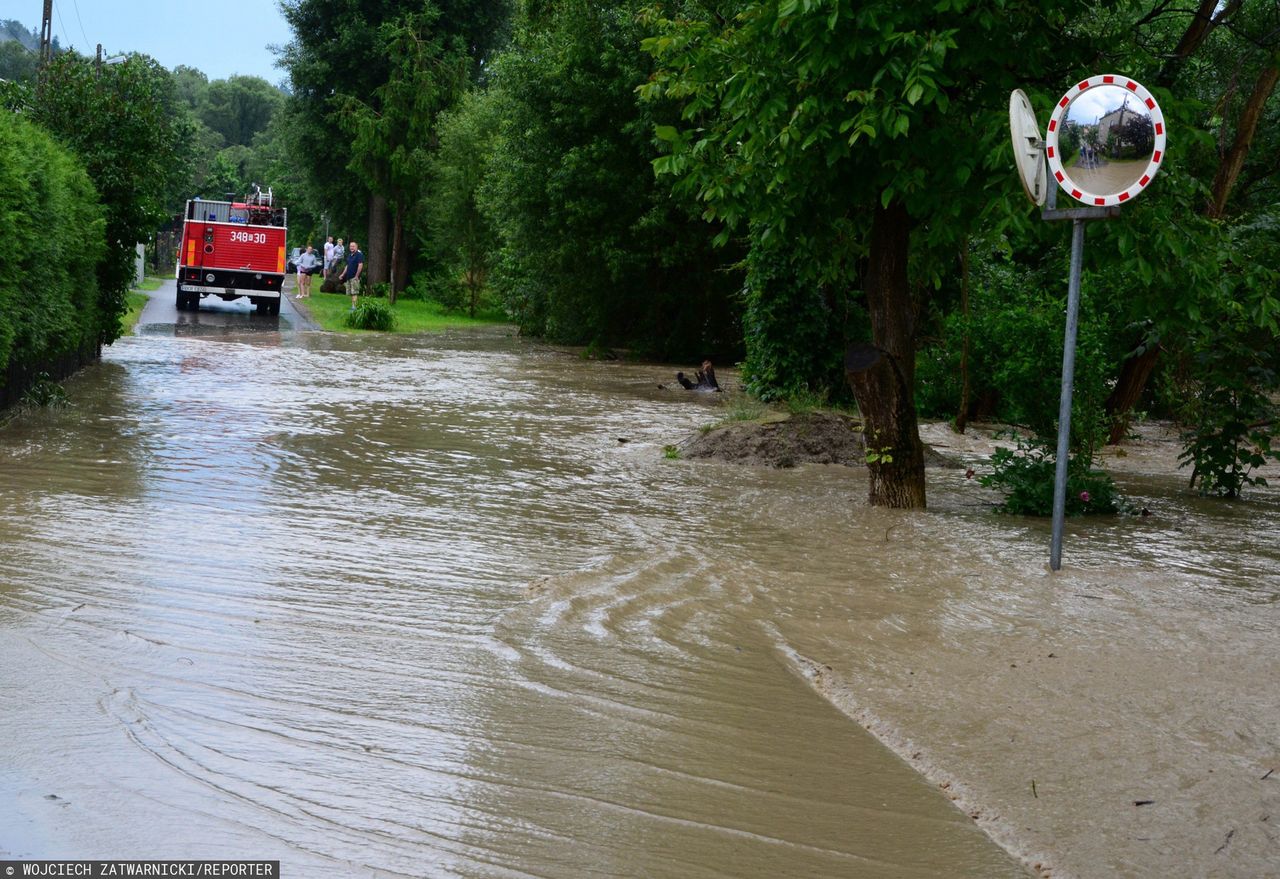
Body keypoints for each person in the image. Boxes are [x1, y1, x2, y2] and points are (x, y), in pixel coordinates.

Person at [338, 239, 364, 310]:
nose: (351, 247)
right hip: (348, 277)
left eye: (353, 246)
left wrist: (357, 276)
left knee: (354, 292)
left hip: (354, 277)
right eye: (350, 246)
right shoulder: (350, 255)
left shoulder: (359, 255)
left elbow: (360, 265)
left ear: (356, 247)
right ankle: (353, 306)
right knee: (351, 293)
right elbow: (347, 266)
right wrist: (342, 274)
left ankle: (354, 307)